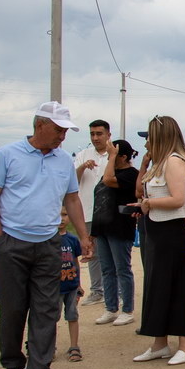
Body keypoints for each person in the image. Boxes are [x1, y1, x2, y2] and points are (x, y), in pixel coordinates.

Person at [0, 101, 92, 369]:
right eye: (58, 130)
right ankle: (12, 366)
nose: (62, 137)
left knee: (46, 308)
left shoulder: (63, 161)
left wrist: (83, 236)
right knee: (13, 308)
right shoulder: (7, 155)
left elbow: (72, 199)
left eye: (65, 131)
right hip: (12, 244)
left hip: (48, 244)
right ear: (40, 125)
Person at [132, 115, 185, 366]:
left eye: (149, 136)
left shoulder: (173, 161)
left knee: (177, 287)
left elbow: (178, 199)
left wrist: (149, 203)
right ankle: (159, 343)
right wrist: (143, 203)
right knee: (157, 287)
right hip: (157, 232)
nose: (147, 141)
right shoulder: (158, 163)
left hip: (172, 233)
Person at [90, 139, 138, 328]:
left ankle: (127, 310)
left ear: (123, 157)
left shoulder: (131, 174)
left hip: (120, 228)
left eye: (114, 154)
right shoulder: (110, 172)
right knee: (107, 270)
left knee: (122, 269)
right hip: (103, 228)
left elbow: (109, 181)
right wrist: (94, 231)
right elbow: (100, 197)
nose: (110, 157)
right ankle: (111, 308)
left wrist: (110, 157)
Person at [73, 119, 111, 305]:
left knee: (112, 252)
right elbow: (72, 181)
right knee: (91, 252)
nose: (95, 138)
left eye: (99, 134)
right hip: (88, 211)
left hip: (110, 213)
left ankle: (115, 290)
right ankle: (97, 290)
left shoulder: (114, 154)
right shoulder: (83, 155)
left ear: (108, 135)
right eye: (92, 134)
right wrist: (81, 167)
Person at [59, 205, 84, 363]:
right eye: (57, 214)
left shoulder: (73, 239)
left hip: (71, 286)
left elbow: (75, 262)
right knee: (50, 318)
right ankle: (49, 347)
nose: (61, 218)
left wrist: (79, 284)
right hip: (53, 288)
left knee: (72, 316)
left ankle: (74, 346)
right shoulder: (47, 240)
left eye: (64, 214)